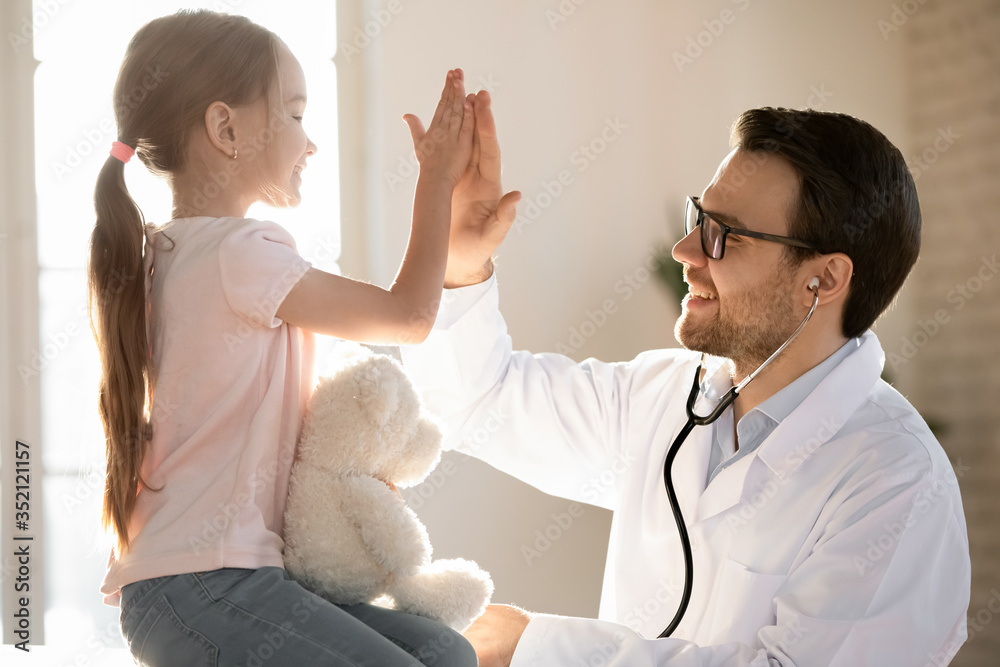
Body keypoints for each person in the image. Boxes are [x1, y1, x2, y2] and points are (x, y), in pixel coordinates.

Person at [399, 107, 972, 665]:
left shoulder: (896, 479)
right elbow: (476, 400)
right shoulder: (663, 396)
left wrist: (540, 650)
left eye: (726, 236)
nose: (686, 252)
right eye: (700, 219)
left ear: (823, 279)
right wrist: (460, 264)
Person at [90, 9, 484, 665]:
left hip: (198, 586)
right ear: (226, 128)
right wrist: (437, 179)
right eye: (296, 114)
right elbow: (409, 317)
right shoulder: (242, 251)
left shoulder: (165, 251)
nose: (311, 142)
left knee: (445, 651)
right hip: (200, 586)